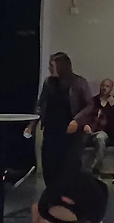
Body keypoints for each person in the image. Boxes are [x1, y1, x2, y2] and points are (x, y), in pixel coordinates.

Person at [34, 52, 94, 188]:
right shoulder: (48, 83)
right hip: (51, 129)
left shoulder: (78, 82)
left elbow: (89, 104)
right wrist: (32, 124)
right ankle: (51, 193)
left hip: (70, 132)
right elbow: (41, 104)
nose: (49, 68)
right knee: (49, 164)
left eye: (52, 65)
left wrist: (77, 120)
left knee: (69, 165)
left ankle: (68, 194)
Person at [84, 78, 114, 176]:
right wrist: (85, 125)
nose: (104, 88)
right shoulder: (92, 101)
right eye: (103, 85)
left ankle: (96, 169)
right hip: (88, 132)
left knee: (101, 137)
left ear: (111, 88)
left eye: (107, 86)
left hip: (104, 133)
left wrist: (112, 105)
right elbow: (84, 115)